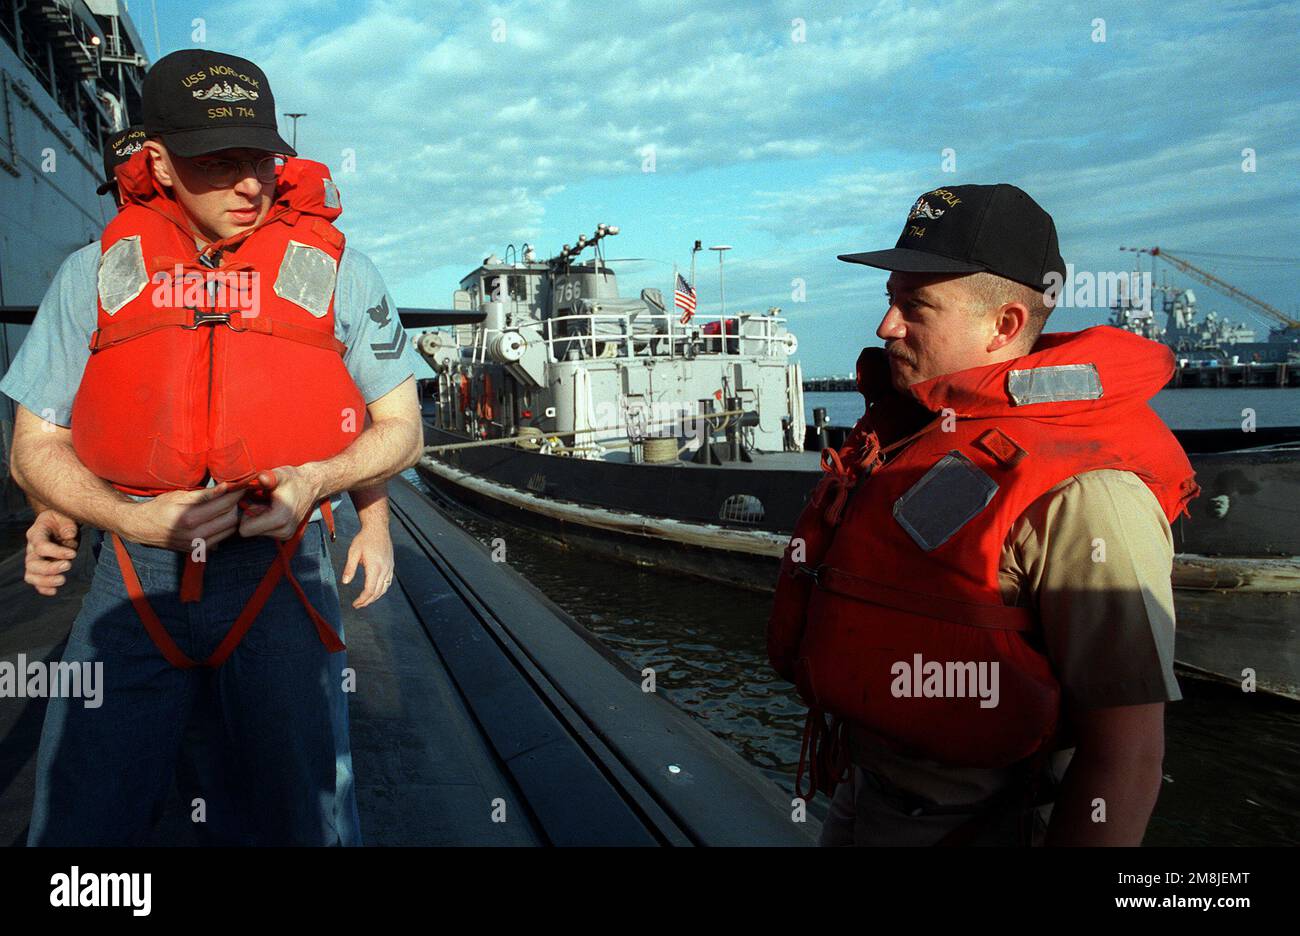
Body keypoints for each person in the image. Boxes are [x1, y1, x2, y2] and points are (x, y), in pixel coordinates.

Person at [2, 49, 425, 846]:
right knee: (79, 825)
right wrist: (108, 516)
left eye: (260, 159)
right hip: (132, 580)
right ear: (157, 160)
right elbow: (35, 446)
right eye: (216, 162)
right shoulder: (90, 276)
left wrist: (330, 488)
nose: (249, 184)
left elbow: (399, 426)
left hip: (284, 574)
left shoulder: (339, 273)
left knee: (310, 817)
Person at [768, 183, 1199, 846]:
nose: (887, 327)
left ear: (1003, 326)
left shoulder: (1089, 494)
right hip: (864, 796)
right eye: (890, 301)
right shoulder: (916, 438)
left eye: (916, 306)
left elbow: (1129, 757)